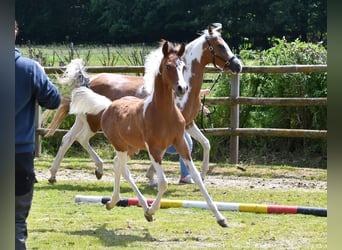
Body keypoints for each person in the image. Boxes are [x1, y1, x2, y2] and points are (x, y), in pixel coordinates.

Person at [15, 20, 61, 250]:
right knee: (15, 221)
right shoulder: (29, 68)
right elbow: (54, 100)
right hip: (19, 154)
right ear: (14, 34)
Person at [146, 89, 211, 186]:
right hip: (171, 120)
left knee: (187, 143)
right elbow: (177, 94)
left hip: (178, 121)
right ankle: (184, 175)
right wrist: (196, 93)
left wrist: (200, 105)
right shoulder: (178, 80)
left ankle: (152, 171)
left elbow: (185, 100)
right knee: (186, 143)